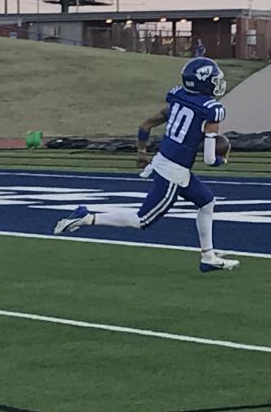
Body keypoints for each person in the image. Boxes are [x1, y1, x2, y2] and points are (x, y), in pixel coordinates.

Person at [53, 57, 239, 272]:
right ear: (204, 82)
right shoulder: (211, 110)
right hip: (174, 171)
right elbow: (208, 159)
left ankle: (208, 257)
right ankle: (86, 218)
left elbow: (145, 125)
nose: (218, 83)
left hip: (165, 161)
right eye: (214, 79)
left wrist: (141, 151)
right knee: (142, 221)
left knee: (207, 202)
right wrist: (221, 159)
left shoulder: (178, 99)